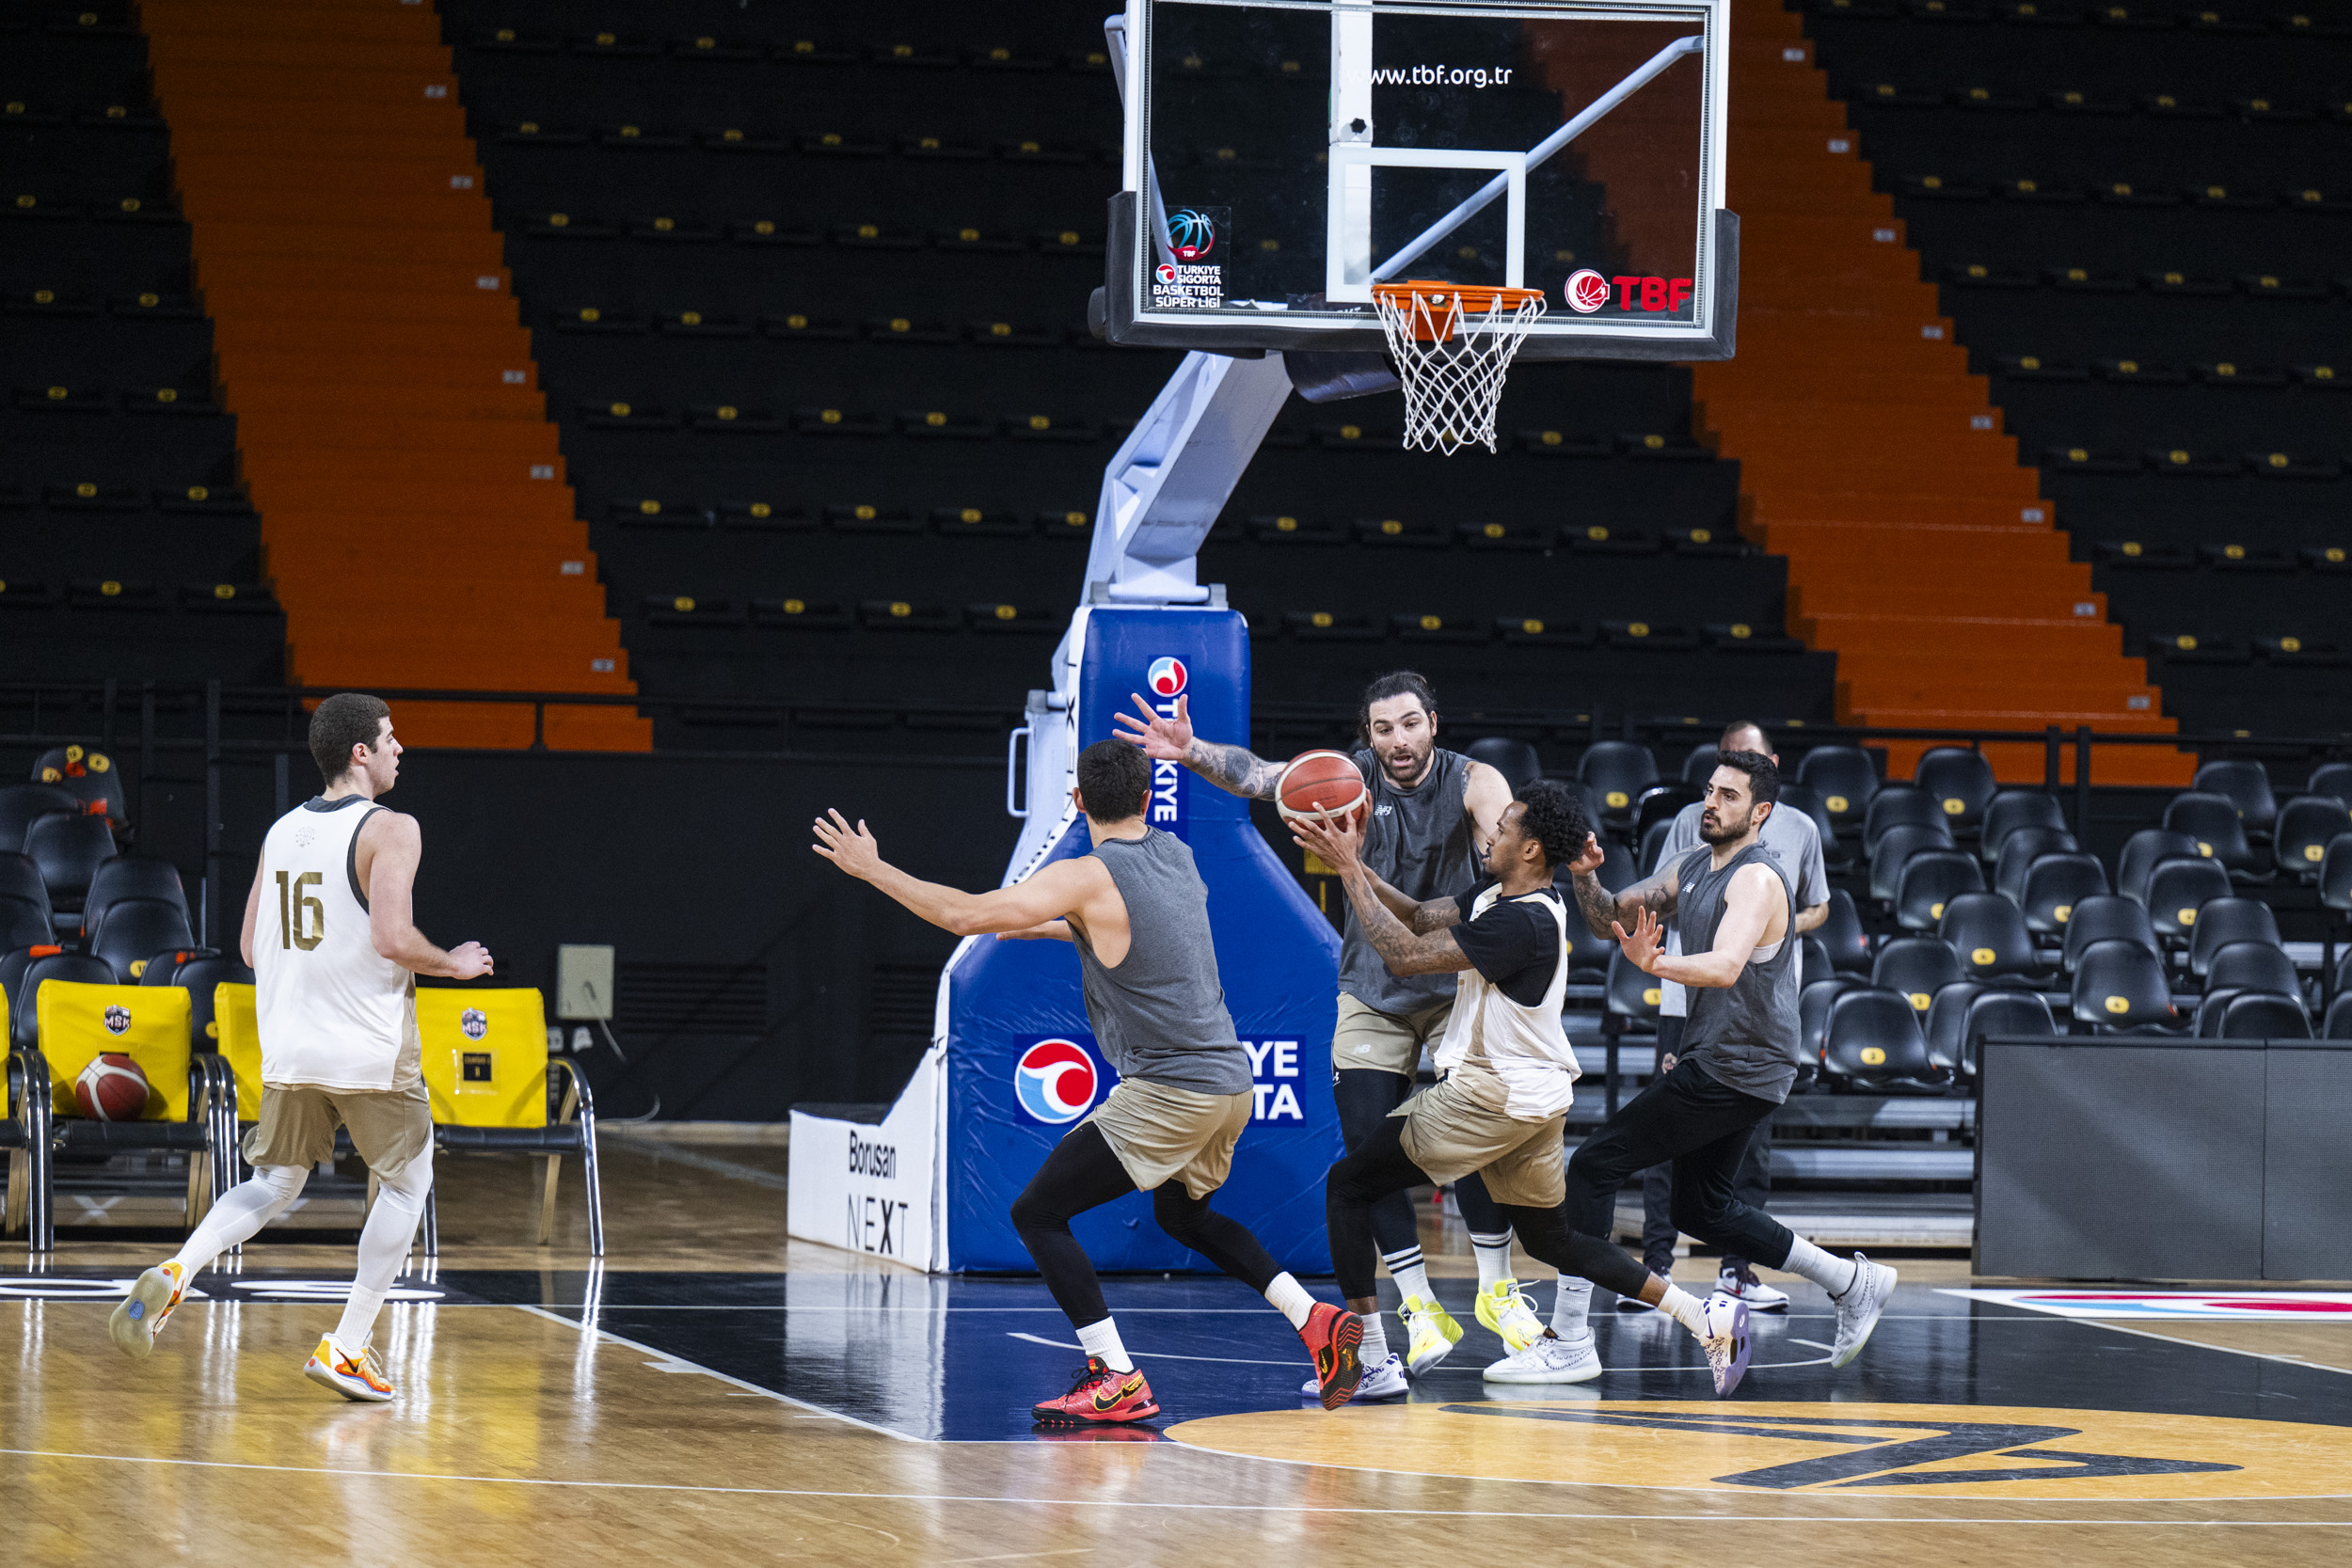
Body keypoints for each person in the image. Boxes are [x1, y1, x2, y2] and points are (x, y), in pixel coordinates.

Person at [812, 738, 1363, 1424]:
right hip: (1230, 1082)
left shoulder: (1086, 875)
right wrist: (1058, 927)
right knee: (1181, 1215)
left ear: (1077, 803)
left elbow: (961, 915)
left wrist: (873, 869)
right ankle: (1314, 1321)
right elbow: (1151, 932)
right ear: (1145, 800)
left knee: (1036, 1212)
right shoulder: (1177, 855)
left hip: (1172, 1089)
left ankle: (1117, 1376)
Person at [1119, 671, 1544, 1391]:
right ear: (1369, 734)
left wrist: (1422, 897)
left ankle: (1497, 1290)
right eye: (1383, 729)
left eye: (1410, 724)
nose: (1398, 740)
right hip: (1374, 992)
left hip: (1457, 984)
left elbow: (1508, 857)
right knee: (1366, 1150)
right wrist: (1191, 752)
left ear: (1434, 724)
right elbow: (1261, 776)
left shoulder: (1475, 784)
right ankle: (1408, 1319)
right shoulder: (1343, 777)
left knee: (1468, 1134)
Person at [1295, 780, 1752, 1396]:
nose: (1492, 833)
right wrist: (1357, 867)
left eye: (1505, 827)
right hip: (1534, 1099)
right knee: (1552, 1237)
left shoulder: (1523, 922)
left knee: (1348, 1186)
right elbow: (1423, 916)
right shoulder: (1500, 898)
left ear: (1532, 850)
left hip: (1491, 1095)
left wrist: (1348, 871)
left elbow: (1403, 954)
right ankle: (1705, 1316)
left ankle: (1369, 1360)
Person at [110, 694, 494, 1402]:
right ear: (359, 753)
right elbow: (390, 937)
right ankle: (346, 1346)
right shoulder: (392, 827)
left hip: (289, 1045)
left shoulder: (281, 831)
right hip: (369, 1047)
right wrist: (455, 961)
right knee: (408, 1181)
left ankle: (179, 1270)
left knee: (276, 1184)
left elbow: (253, 947)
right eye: (389, 736)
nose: (399, 747)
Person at [1560, 751, 1897, 1366]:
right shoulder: (1692, 865)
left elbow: (1723, 965)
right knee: (1701, 1206)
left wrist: (1656, 964)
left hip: (1737, 1063)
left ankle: (1570, 1338)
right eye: (1710, 791)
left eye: (1729, 795)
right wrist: (1585, 874)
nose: (1711, 803)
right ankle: (1852, 1281)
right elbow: (1612, 915)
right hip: (1734, 1062)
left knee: (1592, 1166)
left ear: (1760, 811)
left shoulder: (1758, 878)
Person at [1631, 721, 1828, 1315]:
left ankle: (1737, 1273)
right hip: (1686, 1000)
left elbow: (1817, 905)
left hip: (1760, 1005)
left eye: (1741, 770)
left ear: (1769, 769)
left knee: (1747, 1150)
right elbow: (1657, 894)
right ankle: (1656, 1265)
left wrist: (1764, 929)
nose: (1718, 794)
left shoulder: (1800, 831)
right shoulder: (1693, 826)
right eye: (1719, 770)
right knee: (1664, 1138)